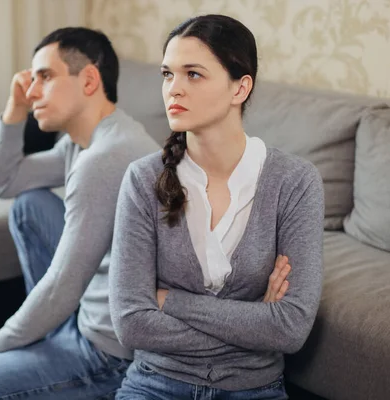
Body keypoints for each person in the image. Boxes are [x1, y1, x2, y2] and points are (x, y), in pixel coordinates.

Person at [0, 27, 161, 400]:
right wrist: (14, 110)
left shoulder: (105, 158)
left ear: (88, 80)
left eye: (45, 77)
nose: (31, 91)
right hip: (89, 306)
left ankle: (71, 368)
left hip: (110, 353)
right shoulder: (86, 142)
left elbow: (63, 282)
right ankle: (50, 338)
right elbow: (3, 181)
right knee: (29, 206)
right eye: (31, 79)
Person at [109, 14, 324, 400]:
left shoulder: (295, 182)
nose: (173, 89)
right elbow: (130, 324)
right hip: (154, 382)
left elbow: (290, 328)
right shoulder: (142, 180)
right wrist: (255, 322)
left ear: (240, 88)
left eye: (193, 74)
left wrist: (169, 301)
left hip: (253, 388)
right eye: (167, 74)